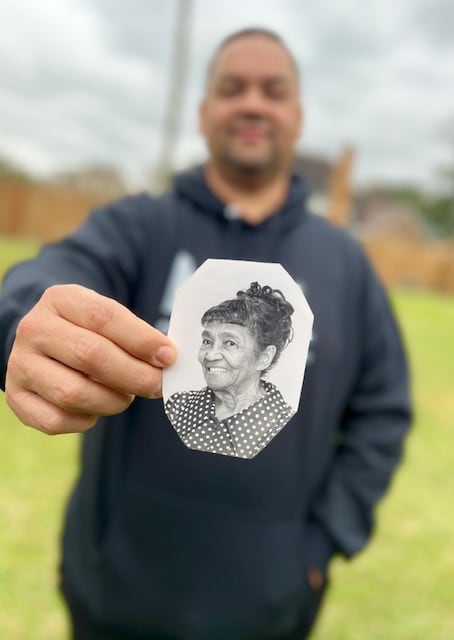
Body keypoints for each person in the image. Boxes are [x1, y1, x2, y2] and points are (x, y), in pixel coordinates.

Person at [0, 28, 411, 640]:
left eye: (272, 91)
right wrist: (25, 315)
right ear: (204, 112)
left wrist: (323, 544)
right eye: (231, 88)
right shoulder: (140, 225)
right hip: (116, 593)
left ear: (296, 116)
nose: (251, 103)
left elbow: (384, 410)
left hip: (269, 607)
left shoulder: (344, 264)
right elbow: (54, 276)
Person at [165, 281, 295, 459]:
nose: (210, 356)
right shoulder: (178, 406)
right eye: (207, 342)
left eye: (230, 343)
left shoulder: (285, 425)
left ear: (264, 358)